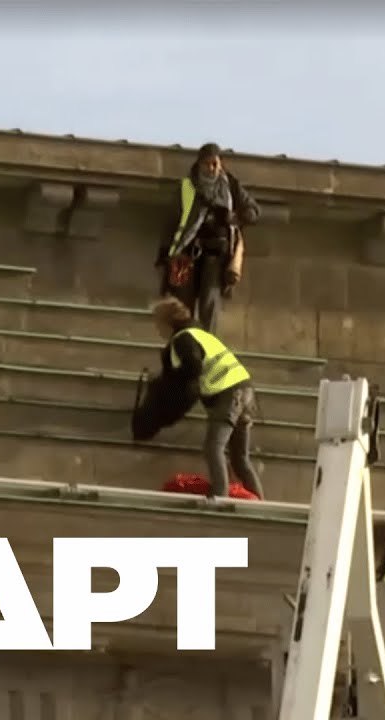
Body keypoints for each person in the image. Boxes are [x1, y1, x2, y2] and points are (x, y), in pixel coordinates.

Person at [151, 297, 263, 499]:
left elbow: (192, 367)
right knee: (240, 458)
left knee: (214, 447)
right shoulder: (201, 334)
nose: (157, 329)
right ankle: (260, 502)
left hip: (227, 392)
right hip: (245, 389)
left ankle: (219, 497)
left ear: (167, 322)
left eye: (157, 323)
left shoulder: (183, 339)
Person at [157, 143, 260, 334]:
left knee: (209, 304)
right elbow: (171, 220)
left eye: (215, 164)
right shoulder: (187, 186)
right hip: (184, 253)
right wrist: (164, 253)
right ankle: (183, 342)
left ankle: (206, 348)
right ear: (200, 164)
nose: (211, 169)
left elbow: (253, 210)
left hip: (215, 255)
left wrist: (237, 217)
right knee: (182, 305)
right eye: (207, 164)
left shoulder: (229, 185)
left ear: (220, 164)